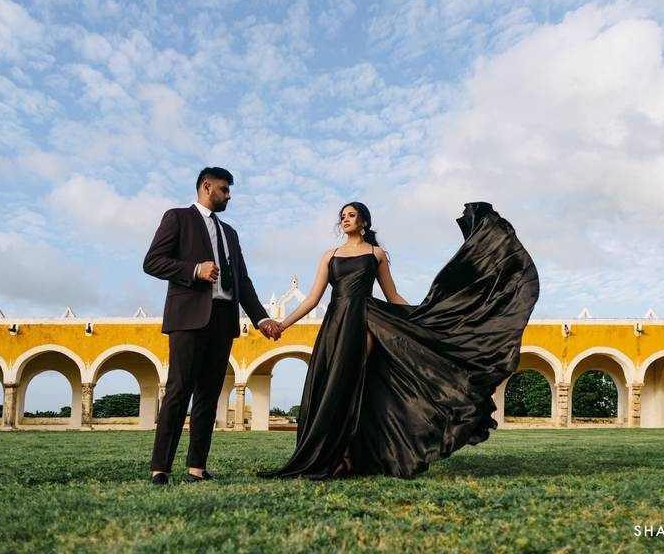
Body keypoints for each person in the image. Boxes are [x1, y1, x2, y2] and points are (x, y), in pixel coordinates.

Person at [259, 201, 539, 479]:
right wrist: (282, 324)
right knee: (335, 387)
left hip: (366, 319)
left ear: (364, 222)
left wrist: (423, 319)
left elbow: (392, 296)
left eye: (351, 215)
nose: (345, 219)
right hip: (335, 325)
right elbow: (312, 298)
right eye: (342, 216)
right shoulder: (329, 256)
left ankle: (347, 456)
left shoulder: (376, 254)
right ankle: (338, 456)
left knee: (352, 384)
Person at [143, 167, 282, 485]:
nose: (229, 195)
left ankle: (196, 468)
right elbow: (152, 261)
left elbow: (243, 281)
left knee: (209, 395)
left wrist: (261, 319)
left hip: (223, 321)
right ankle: (160, 469)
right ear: (206, 187)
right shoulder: (177, 217)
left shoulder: (231, 233)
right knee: (179, 390)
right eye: (224, 189)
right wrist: (195, 270)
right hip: (189, 318)